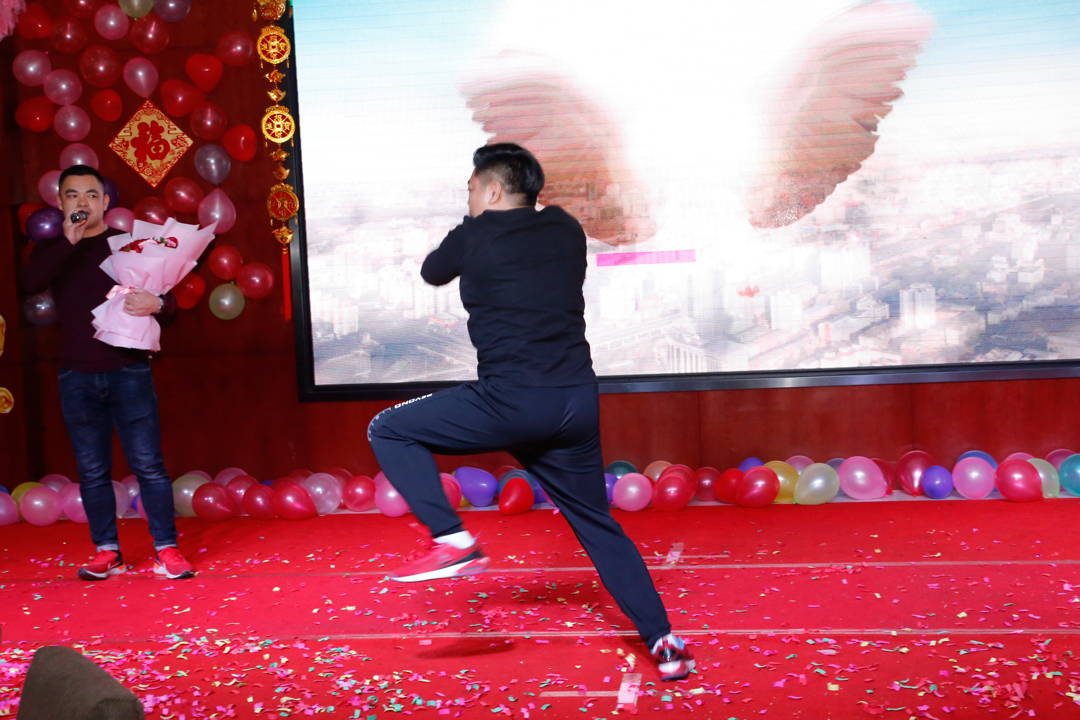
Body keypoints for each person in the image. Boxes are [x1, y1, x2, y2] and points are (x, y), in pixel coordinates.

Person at [367, 143, 694, 681]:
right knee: (598, 527)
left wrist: (471, 223)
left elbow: (432, 271)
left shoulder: (474, 235)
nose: (468, 201)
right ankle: (665, 642)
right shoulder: (565, 228)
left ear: (493, 190)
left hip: (511, 403)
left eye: (472, 190)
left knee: (388, 429)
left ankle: (453, 540)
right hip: (575, 404)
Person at [21, 165, 194, 581]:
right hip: (76, 375)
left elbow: (168, 302)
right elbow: (30, 283)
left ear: (105, 201)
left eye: (91, 195)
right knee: (92, 471)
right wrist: (68, 240)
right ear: (60, 202)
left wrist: (158, 304)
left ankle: (166, 549)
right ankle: (107, 551)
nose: (82, 202)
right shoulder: (52, 248)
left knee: (149, 465)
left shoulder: (127, 246)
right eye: (73, 195)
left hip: (128, 371)